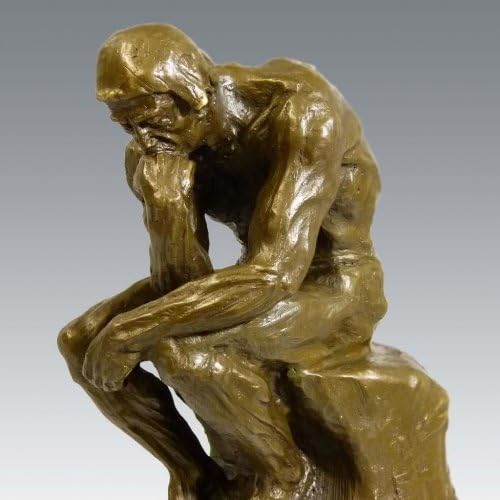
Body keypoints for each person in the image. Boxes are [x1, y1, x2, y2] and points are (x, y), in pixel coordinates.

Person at [58, 23, 387, 498]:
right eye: (126, 125)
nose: (142, 139)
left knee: (178, 350)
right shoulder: (157, 152)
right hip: (252, 277)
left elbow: (274, 273)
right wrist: (167, 208)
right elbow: (183, 284)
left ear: (192, 92)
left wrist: (131, 331)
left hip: (334, 285)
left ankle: (284, 475)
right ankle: (195, 475)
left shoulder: (299, 113)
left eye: (148, 118)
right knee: (79, 342)